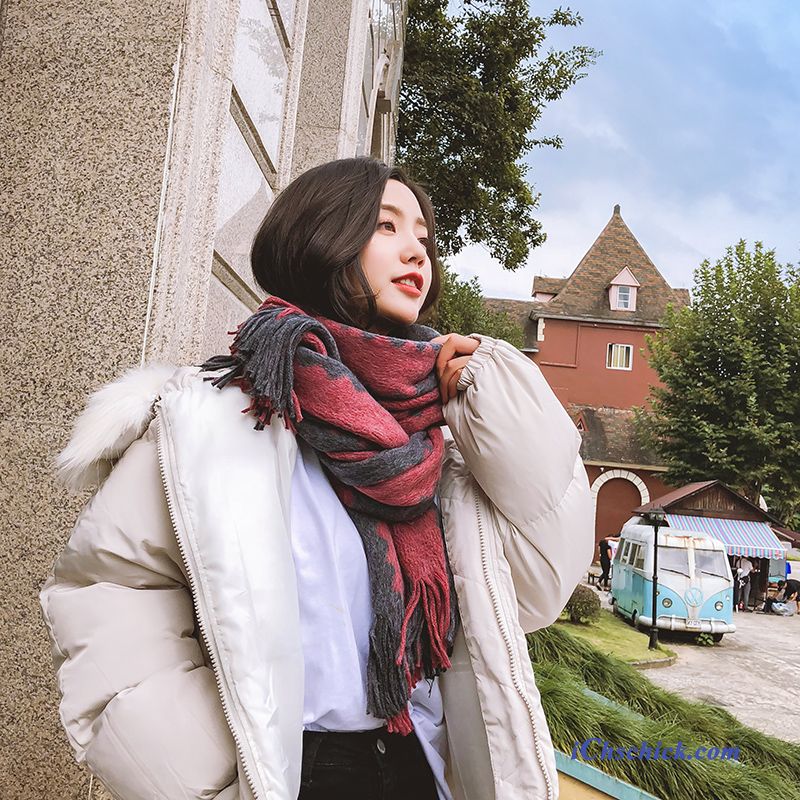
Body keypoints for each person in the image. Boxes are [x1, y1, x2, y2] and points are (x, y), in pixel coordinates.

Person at [40, 158, 594, 800]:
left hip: (420, 764)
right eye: (386, 226)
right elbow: (110, 590)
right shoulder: (216, 414)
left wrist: (489, 394)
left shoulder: (437, 435)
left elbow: (542, 586)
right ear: (321, 236)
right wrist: (205, 772)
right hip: (288, 773)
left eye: (423, 234)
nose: (417, 247)